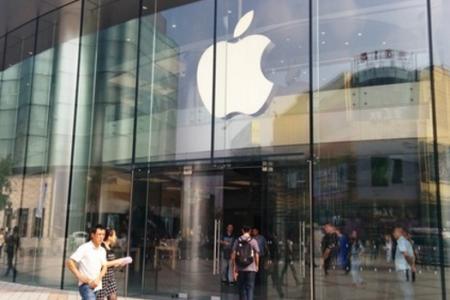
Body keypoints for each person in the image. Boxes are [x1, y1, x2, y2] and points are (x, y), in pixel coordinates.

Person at [67, 224, 108, 300]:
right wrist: (80, 276)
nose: (101, 237)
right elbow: (70, 262)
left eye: (103, 234)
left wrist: (98, 279)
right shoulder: (84, 248)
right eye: (99, 234)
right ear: (92, 235)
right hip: (86, 286)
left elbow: (105, 266)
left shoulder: (103, 250)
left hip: (97, 286)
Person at [96, 228, 127, 300]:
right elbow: (104, 264)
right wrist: (118, 261)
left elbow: (112, 264)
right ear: (109, 237)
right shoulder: (102, 247)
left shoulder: (110, 248)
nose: (115, 237)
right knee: (99, 298)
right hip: (102, 278)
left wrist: (121, 263)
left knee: (113, 297)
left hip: (110, 278)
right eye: (114, 235)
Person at [232, 225, 260, 300]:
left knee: (242, 288)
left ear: (242, 231)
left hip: (240, 268)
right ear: (250, 231)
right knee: (250, 288)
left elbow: (233, 255)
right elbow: (257, 255)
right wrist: (257, 265)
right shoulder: (253, 241)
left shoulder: (237, 240)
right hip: (251, 268)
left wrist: (234, 268)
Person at [392, 226, 415, 300]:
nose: (393, 234)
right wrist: (412, 265)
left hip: (403, 270)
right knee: (407, 289)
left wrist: (411, 265)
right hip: (406, 269)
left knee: (405, 289)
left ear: (399, 232)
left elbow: (406, 255)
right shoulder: (406, 242)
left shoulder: (401, 241)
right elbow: (412, 255)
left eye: (395, 232)